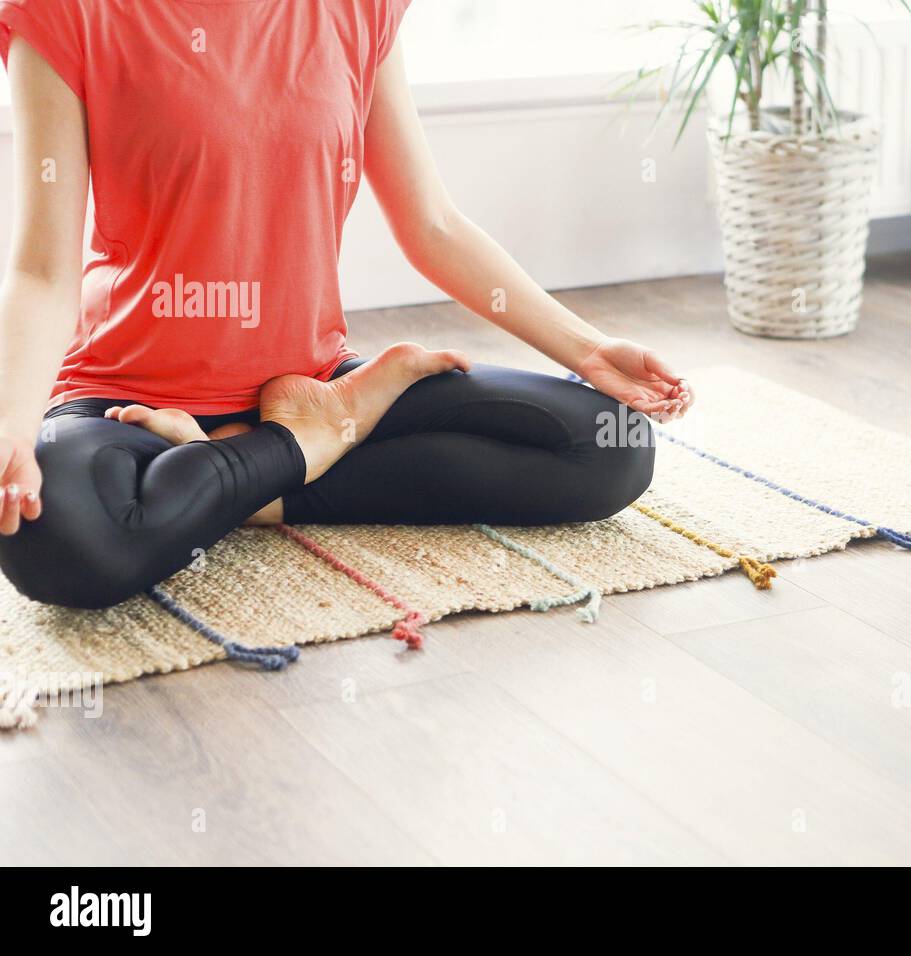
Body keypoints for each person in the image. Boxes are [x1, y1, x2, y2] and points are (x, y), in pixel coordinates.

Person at [0, 0, 692, 609]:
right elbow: (41, 270)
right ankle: (302, 445)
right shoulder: (67, 11)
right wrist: (10, 427)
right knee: (50, 538)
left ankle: (230, 476)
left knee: (610, 445)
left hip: (314, 380)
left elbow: (433, 225)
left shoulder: (354, 7)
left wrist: (589, 350)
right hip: (125, 403)